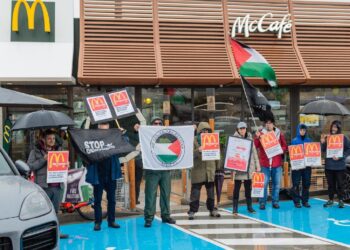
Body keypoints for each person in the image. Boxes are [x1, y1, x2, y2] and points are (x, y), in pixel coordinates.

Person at [27, 129, 69, 239]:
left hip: (58, 186)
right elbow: (30, 167)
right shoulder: (35, 151)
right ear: (43, 139)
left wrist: (66, 164)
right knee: (43, 212)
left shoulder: (59, 150)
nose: (52, 141)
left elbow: (62, 165)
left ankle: (57, 233)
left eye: (54, 139)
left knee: (55, 211)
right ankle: (42, 234)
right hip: (44, 186)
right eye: (49, 139)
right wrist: (43, 159)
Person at [85, 122, 122, 231]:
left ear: (109, 129)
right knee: (97, 200)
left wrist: (120, 134)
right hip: (98, 175)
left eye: (106, 130)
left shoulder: (114, 139)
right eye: (101, 130)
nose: (104, 132)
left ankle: (111, 221)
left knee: (112, 200)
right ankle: (98, 222)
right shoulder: (92, 140)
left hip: (111, 174)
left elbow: (125, 143)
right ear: (98, 129)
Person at [144, 117, 176, 228]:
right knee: (150, 195)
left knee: (166, 194)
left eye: (159, 123)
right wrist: (136, 130)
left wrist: (191, 129)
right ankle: (148, 218)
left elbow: (177, 144)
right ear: (151, 125)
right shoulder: (146, 136)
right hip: (152, 171)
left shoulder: (167, 137)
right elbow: (136, 139)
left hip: (165, 170)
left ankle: (166, 215)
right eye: (155, 123)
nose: (157, 125)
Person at [187, 121, 221, 220]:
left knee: (211, 193)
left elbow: (217, 155)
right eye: (203, 131)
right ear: (199, 132)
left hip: (210, 171)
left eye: (207, 131)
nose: (205, 133)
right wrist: (198, 150)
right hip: (198, 171)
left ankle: (212, 209)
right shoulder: (193, 141)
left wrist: (218, 168)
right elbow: (189, 155)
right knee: (195, 193)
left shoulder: (213, 140)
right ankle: (192, 211)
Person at [254, 117, 287, 210]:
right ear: (265, 124)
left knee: (276, 185)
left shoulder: (279, 133)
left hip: (277, 164)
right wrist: (257, 137)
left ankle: (275, 202)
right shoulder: (261, 134)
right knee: (264, 184)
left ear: (273, 124)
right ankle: (262, 203)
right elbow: (255, 146)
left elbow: (285, 146)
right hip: (265, 164)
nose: (268, 124)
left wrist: (280, 150)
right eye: (267, 123)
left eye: (270, 123)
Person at [232, 122, 260, 215]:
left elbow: (255, 153)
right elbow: (231, 154)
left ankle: (249, 207)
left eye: (244, 128)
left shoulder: (250, 139)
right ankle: (235, 208)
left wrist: (257, 166)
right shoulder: (234, 140)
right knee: (236, 189)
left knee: (248, 189)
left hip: (249, 168)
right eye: (241, 128)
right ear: (237, 129)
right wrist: (232, 169)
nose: (242, 130)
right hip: (239, 167)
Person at [321, 120, 350, 208]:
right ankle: (330, 200)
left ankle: (341, 200)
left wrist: (341, 157)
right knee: (330, 184)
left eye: (335, 127)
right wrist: (322, 142)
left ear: (338, 128)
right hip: (329, 166)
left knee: (340, 184)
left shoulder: (343, 138)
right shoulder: (328, 138)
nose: (333, 129)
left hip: (340, 166)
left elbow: (348, 149)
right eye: (332, 127)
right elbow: (323, 150)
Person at [291, 124, 312, 208]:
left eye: (304, 130)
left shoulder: (309, 140)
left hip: (307, 166)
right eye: (301, 130)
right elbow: (292, 153)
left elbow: (312, 153)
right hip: (297, 167)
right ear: (298, 130)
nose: (302, 131)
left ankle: (305, 201)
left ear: (306, 131)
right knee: (296, 184)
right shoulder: (294, 141)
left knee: (306, 183)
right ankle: (296, 202)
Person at [132, 122, 143, 204]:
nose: (137, 126)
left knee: (137, 181)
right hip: (130, 160)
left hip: (138, 160)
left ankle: (135, 199)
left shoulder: (143, 134)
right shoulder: (129, 134)